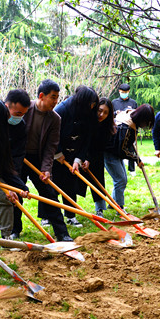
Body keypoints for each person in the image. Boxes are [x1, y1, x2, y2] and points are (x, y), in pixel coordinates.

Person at [12, 80, 72, 241]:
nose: (55, 101)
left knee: (49, 194)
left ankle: (62, 233)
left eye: (57, 98)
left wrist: (46, 169)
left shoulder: (55, 119)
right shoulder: (24, 109)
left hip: (37, 159)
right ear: (41, 96)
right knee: (17, 193)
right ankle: (14, 229)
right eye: (53, 97)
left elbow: (51, 146)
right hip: (19, 158)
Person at [53, 85, 99, 226]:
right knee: (52, 186)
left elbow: (88, 138)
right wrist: (58, 153)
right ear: (83, 101)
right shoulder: (61, 110)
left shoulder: (89, 113)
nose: (92, 106)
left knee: (70, 185)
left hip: (74, 154)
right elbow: (52, 134)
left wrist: (78, 159)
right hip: (56, 153)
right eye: (91, 104)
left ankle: (71, 216)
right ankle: (48, 216)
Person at [0, 95, 29, 239]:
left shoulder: (21, 126)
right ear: (7, 107)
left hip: (7, 166)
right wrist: (5, 187)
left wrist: (17, 184)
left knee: (15, 195)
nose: (20, 117)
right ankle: (6, 236)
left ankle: (13, 232)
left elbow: (16, 156)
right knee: (3, 198)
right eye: (17, 113)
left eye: (23, 114)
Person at [104, 104, 155, 208]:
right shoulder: (125, 128)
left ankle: (113, 203)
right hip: (110, 152)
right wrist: (136, 159)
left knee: (122, 179)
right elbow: (122, 149)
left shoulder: (131, 118)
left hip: (115, 152)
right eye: (146, 122)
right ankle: (119, 207)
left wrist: (137, 159)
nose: (145, 126)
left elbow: (127, 144)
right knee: (120, 179)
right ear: (141, 119)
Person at [84, 98, 116, 216]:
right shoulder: (87, 121)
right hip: (80, 154)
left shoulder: (107, 128)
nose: (102, 115)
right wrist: (85, 158)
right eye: (100, 110)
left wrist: (90, 159)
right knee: (71, 184)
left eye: (106, 113)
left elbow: (100, 148)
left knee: (98, 182)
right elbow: (84, 142)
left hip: (96, 156)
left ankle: (100, 210)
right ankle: (69, 214)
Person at [112, 83, 139, 175]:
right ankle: (119, 167)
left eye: (126, 92)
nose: (124, 93)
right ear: (119, 91)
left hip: (129, 130)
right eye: (122, 92)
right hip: (117, 130)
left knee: (131, 148)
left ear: (129, 92)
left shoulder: (133, 103)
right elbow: (111, 115)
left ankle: (132, 169)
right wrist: (116, 113)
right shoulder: (114, 102)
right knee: (119, 148)